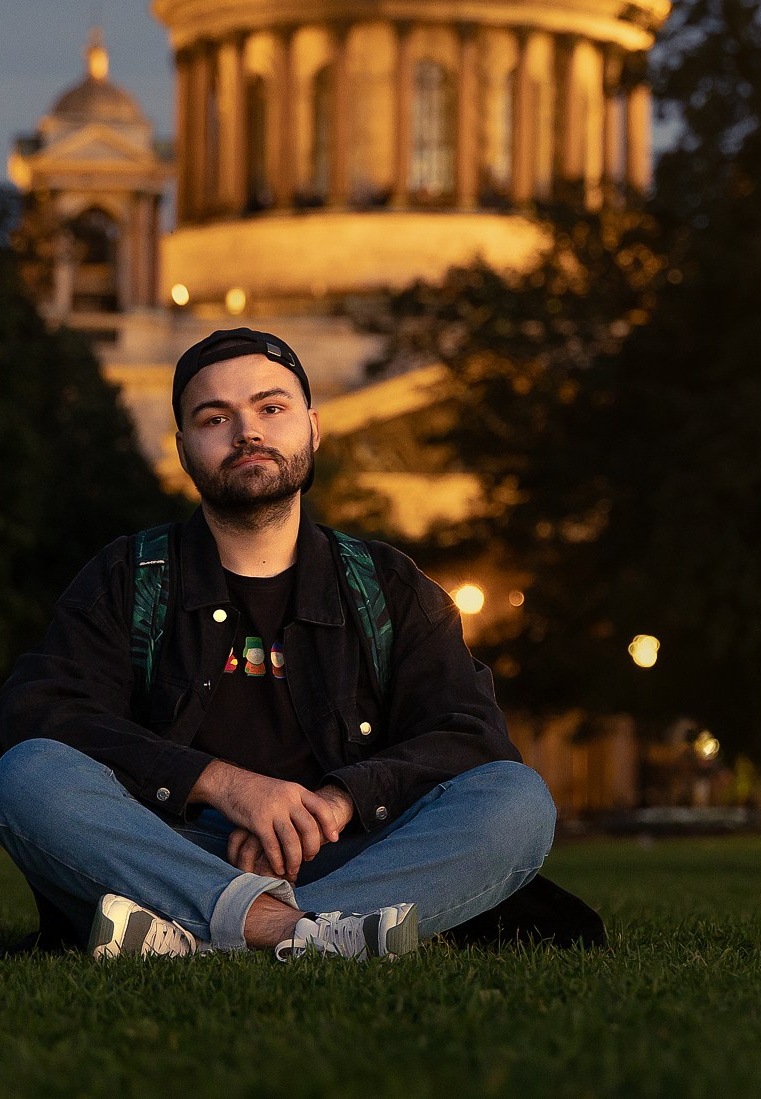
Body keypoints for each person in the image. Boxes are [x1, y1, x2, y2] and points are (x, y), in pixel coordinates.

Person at [0, 327, 561, 960]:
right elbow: (39, 710)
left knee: (517, 801)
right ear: (183, 448)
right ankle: (308, 936)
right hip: (170, 855)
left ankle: (206, 934)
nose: (248, 433)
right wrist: (224, 786)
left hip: (349, 859)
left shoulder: (387, 585)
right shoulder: (129, 576)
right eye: (215, 418)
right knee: (27, 774)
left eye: (271, 408)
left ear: (314, 428)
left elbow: (471, 733)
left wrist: (338, 802)